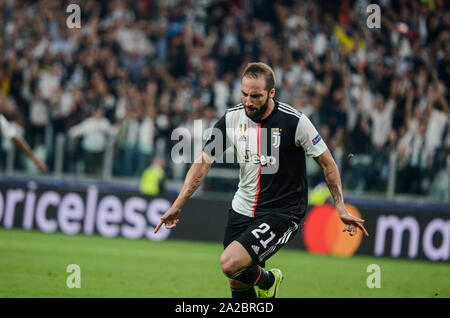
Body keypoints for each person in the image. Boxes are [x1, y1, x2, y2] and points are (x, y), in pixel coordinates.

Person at [154, 62, 369, 298]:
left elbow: (328, 163)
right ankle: (263, 285)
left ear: (271, 93)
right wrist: (177, 204)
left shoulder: (295, 122)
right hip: (242, 207)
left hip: (281, 212)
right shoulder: (231, 119)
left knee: (229, 263)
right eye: (244, 94)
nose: (248, 101)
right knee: (236, 279)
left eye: (256, 96)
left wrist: (340, 206)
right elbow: (203, 162)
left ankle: (268, 280)